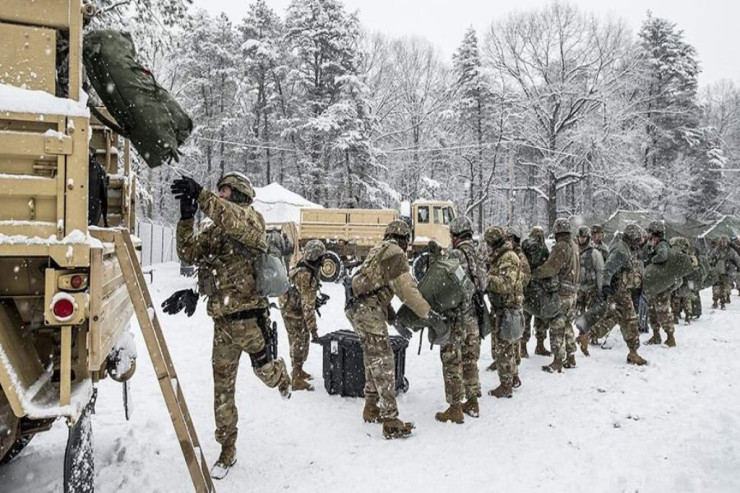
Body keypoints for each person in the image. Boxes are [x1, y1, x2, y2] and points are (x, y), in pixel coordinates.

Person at [169, 171, 291, 479]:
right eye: (218, 191)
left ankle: (281, 375)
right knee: (222, 390)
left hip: (252, 321)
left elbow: (231, 219)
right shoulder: (217, 230)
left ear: (238, 194)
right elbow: (188, 252)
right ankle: (227, 447)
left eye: (224, 191)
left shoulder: (251, 220)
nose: (220, 195)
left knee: (265, 375)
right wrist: (186, 218)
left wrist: (202, 194)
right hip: (223, 323)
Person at [345, 220, 443, 439]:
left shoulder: (379, 250)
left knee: (373, 359)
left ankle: (371, 406)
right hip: (368, 311)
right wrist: (429, 314)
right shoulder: (394, 253)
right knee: (384, 362)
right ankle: (390, 420)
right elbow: (407, 290)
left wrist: (392, 318)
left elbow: (376, 288)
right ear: (404, 239)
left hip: (359, 309)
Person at [576, 224, 648, 366]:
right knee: (631, 320)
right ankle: (633, 352)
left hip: (618, 291)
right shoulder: (621, 250)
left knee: (610, 319)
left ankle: (587, 337)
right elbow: (608, 268)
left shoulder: (622, 247)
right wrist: (606, 285)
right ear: (632, 238)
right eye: (637, 239)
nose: (639, 242)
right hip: (620, 292)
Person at [434, 217, 483, 422]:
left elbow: (444, 285)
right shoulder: (478, 252)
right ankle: (472, 402)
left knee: (452, 359)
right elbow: (483, 282)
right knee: (470, 359)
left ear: (455, 235)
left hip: (457, 318)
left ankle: (455, 408)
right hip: (474, 314)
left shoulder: (455, 253)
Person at [533, 218, 580, 373]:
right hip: (572, 293)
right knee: (567, 325)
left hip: (562, 294)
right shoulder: (574, 245)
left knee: (556, 326)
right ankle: (571, 356)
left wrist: (537, 273)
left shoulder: (561, 247)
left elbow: (551, 268)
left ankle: (557, 361)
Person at [279, 239, 326, 391]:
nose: (324, 260)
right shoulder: (305, 274)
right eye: (322, 257)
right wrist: (314, 331)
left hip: (296, 306)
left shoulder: (310, 268)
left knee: (303, 338)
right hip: (291, 310)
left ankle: (298, 370)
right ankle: (296, 377)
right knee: (298, 339)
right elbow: (308, 307)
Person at [484, 226, 524, 398]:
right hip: (504, 308)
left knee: (504, 348)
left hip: (508, 309)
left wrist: (486, 279)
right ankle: (513, 377)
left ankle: (506, 385)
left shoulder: (508, 257)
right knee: (509, 346)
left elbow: (506, 283)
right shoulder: (500, 256)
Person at [520, 226, 552, 358]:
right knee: (541, 316)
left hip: (527, 286)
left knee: (525, 316)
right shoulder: (543, 248)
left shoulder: (524, 246)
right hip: (540, 287)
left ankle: (523, 347)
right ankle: (540, 344)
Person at [645, 221, 676, 347]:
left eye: (650, 233)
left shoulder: (662, 245)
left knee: (662, 311)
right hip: (655, 285)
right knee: (652, 310)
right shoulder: (656, 245)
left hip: (661, 286)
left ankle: (670, 337)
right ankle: (656, 335)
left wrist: (652, 259)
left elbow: (663, 256)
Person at [574, 226, 604, 355]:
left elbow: (600, 271)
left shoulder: (594, 253)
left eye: (584, 237)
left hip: (591, 288)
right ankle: (582, 334)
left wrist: (600, 288)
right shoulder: (573, 251)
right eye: (580, 237)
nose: (581, 239)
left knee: (592, 313)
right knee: (578, 313)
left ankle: (591, 336)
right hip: (579, 288)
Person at [506, 227, 531, 361]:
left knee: (515, 328)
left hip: (516, 297)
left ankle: (517, 355)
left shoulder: (520, 256)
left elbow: (527, 276)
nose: (507, 242)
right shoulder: (505, 254)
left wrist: (514, 279)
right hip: (506, 297)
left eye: (510, 239)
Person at [670, 237, 699, 325]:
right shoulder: (689, 253)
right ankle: (686, 316)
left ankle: (677, 316)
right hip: (687, 278)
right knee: (686, 298)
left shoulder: (676, 254)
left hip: (680, 278)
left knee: (677, 298)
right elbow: (695, 264)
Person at [710, 235, 740, 309]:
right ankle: (715, 301)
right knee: (716, 287)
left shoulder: (730, 250)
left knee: (725, 287)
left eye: (725, 242)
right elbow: (710, 258)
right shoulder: (716, 250)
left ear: (727, 242)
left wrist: (738, 267)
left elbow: (737, 259)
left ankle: (723, 302)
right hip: (717, 271)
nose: (723, 243)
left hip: (726, 272)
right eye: (722, 242)